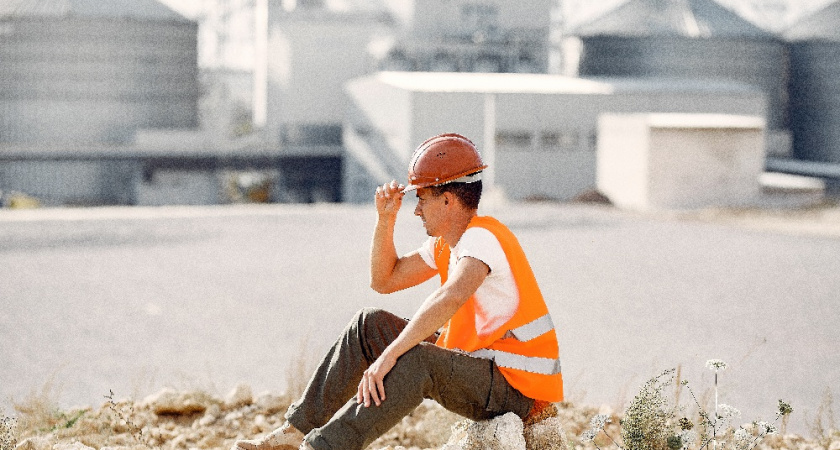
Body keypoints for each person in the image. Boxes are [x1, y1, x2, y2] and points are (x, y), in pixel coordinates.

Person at [231, 133, 563, 450]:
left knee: (415, 357)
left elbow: (450, 296)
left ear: (447, 200)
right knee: (368, 325)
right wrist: (385, 220)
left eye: (422, 200)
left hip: (519, 391)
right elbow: (384, 281)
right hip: (481, 370)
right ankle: (293, 433)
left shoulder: (483, 238)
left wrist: (389, 356)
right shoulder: (447, 245)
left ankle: (325, 447)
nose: (416, 210)